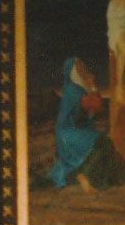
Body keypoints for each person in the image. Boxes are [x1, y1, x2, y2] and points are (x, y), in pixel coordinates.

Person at [46, 57, 120, 193]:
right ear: (73, 72)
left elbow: (96, 108)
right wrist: (92, 84)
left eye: (83, 68)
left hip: (73, 132)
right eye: (79, 69)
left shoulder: (78, 90)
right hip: (67, 134)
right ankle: (85, 175)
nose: (84, 72)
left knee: (105, 144)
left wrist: (91, 87)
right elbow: (97, 106)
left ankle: (94, 178)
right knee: (102, 142)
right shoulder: (73, 90)